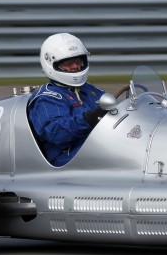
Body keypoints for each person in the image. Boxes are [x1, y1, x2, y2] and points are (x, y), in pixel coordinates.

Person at [28, 33, 108, 166]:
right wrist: (89, 119)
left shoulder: (93, 91)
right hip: (66, 158)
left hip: (97, 148)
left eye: (78, 61)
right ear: (52, 64)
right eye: (68, 63)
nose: (75, 67)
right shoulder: (47, 98)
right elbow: (54, 132)